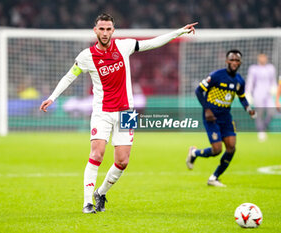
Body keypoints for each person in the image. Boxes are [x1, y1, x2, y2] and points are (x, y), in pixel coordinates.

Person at [39, 13, 197, 214]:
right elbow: (70, 76)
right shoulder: (86, 57)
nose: (105, 33)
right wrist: (52, 97)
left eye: (108, 29)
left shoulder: (124, 46)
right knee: (97, 154)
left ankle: (101, 193)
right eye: (101, 29)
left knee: (122, 161)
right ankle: (87, 203)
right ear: (95, 30)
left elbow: (153, 43)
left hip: (126, 112)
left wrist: (179, 32)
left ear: (113, 30)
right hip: (102, 112)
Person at [186, 49, 256, 187]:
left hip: (226, 117)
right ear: (227, 61)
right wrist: (207, 109)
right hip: (211, 116)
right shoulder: (216, 76)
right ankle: (194, 153)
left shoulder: (239, 81)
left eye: (237, 60)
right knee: (217, 150)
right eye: (232, 59)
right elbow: (198, 91)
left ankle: (214, 177)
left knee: (231, 148)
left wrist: (248, 109)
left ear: (240, 62)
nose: (234, 62)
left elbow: (242, 97)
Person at [246, 53, 276, 141]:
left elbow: (273, 80)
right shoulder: (253, 69)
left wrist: (274, 87)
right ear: (258, 58)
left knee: (271, 111)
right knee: (259, 113)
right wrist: (248, 93)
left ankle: (264, 126)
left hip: (268, 94)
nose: (263, 58)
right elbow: (250, 81)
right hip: (258, 93)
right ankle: (261, 131)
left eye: (264, 57)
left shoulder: (271, 68)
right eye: (261, 57)